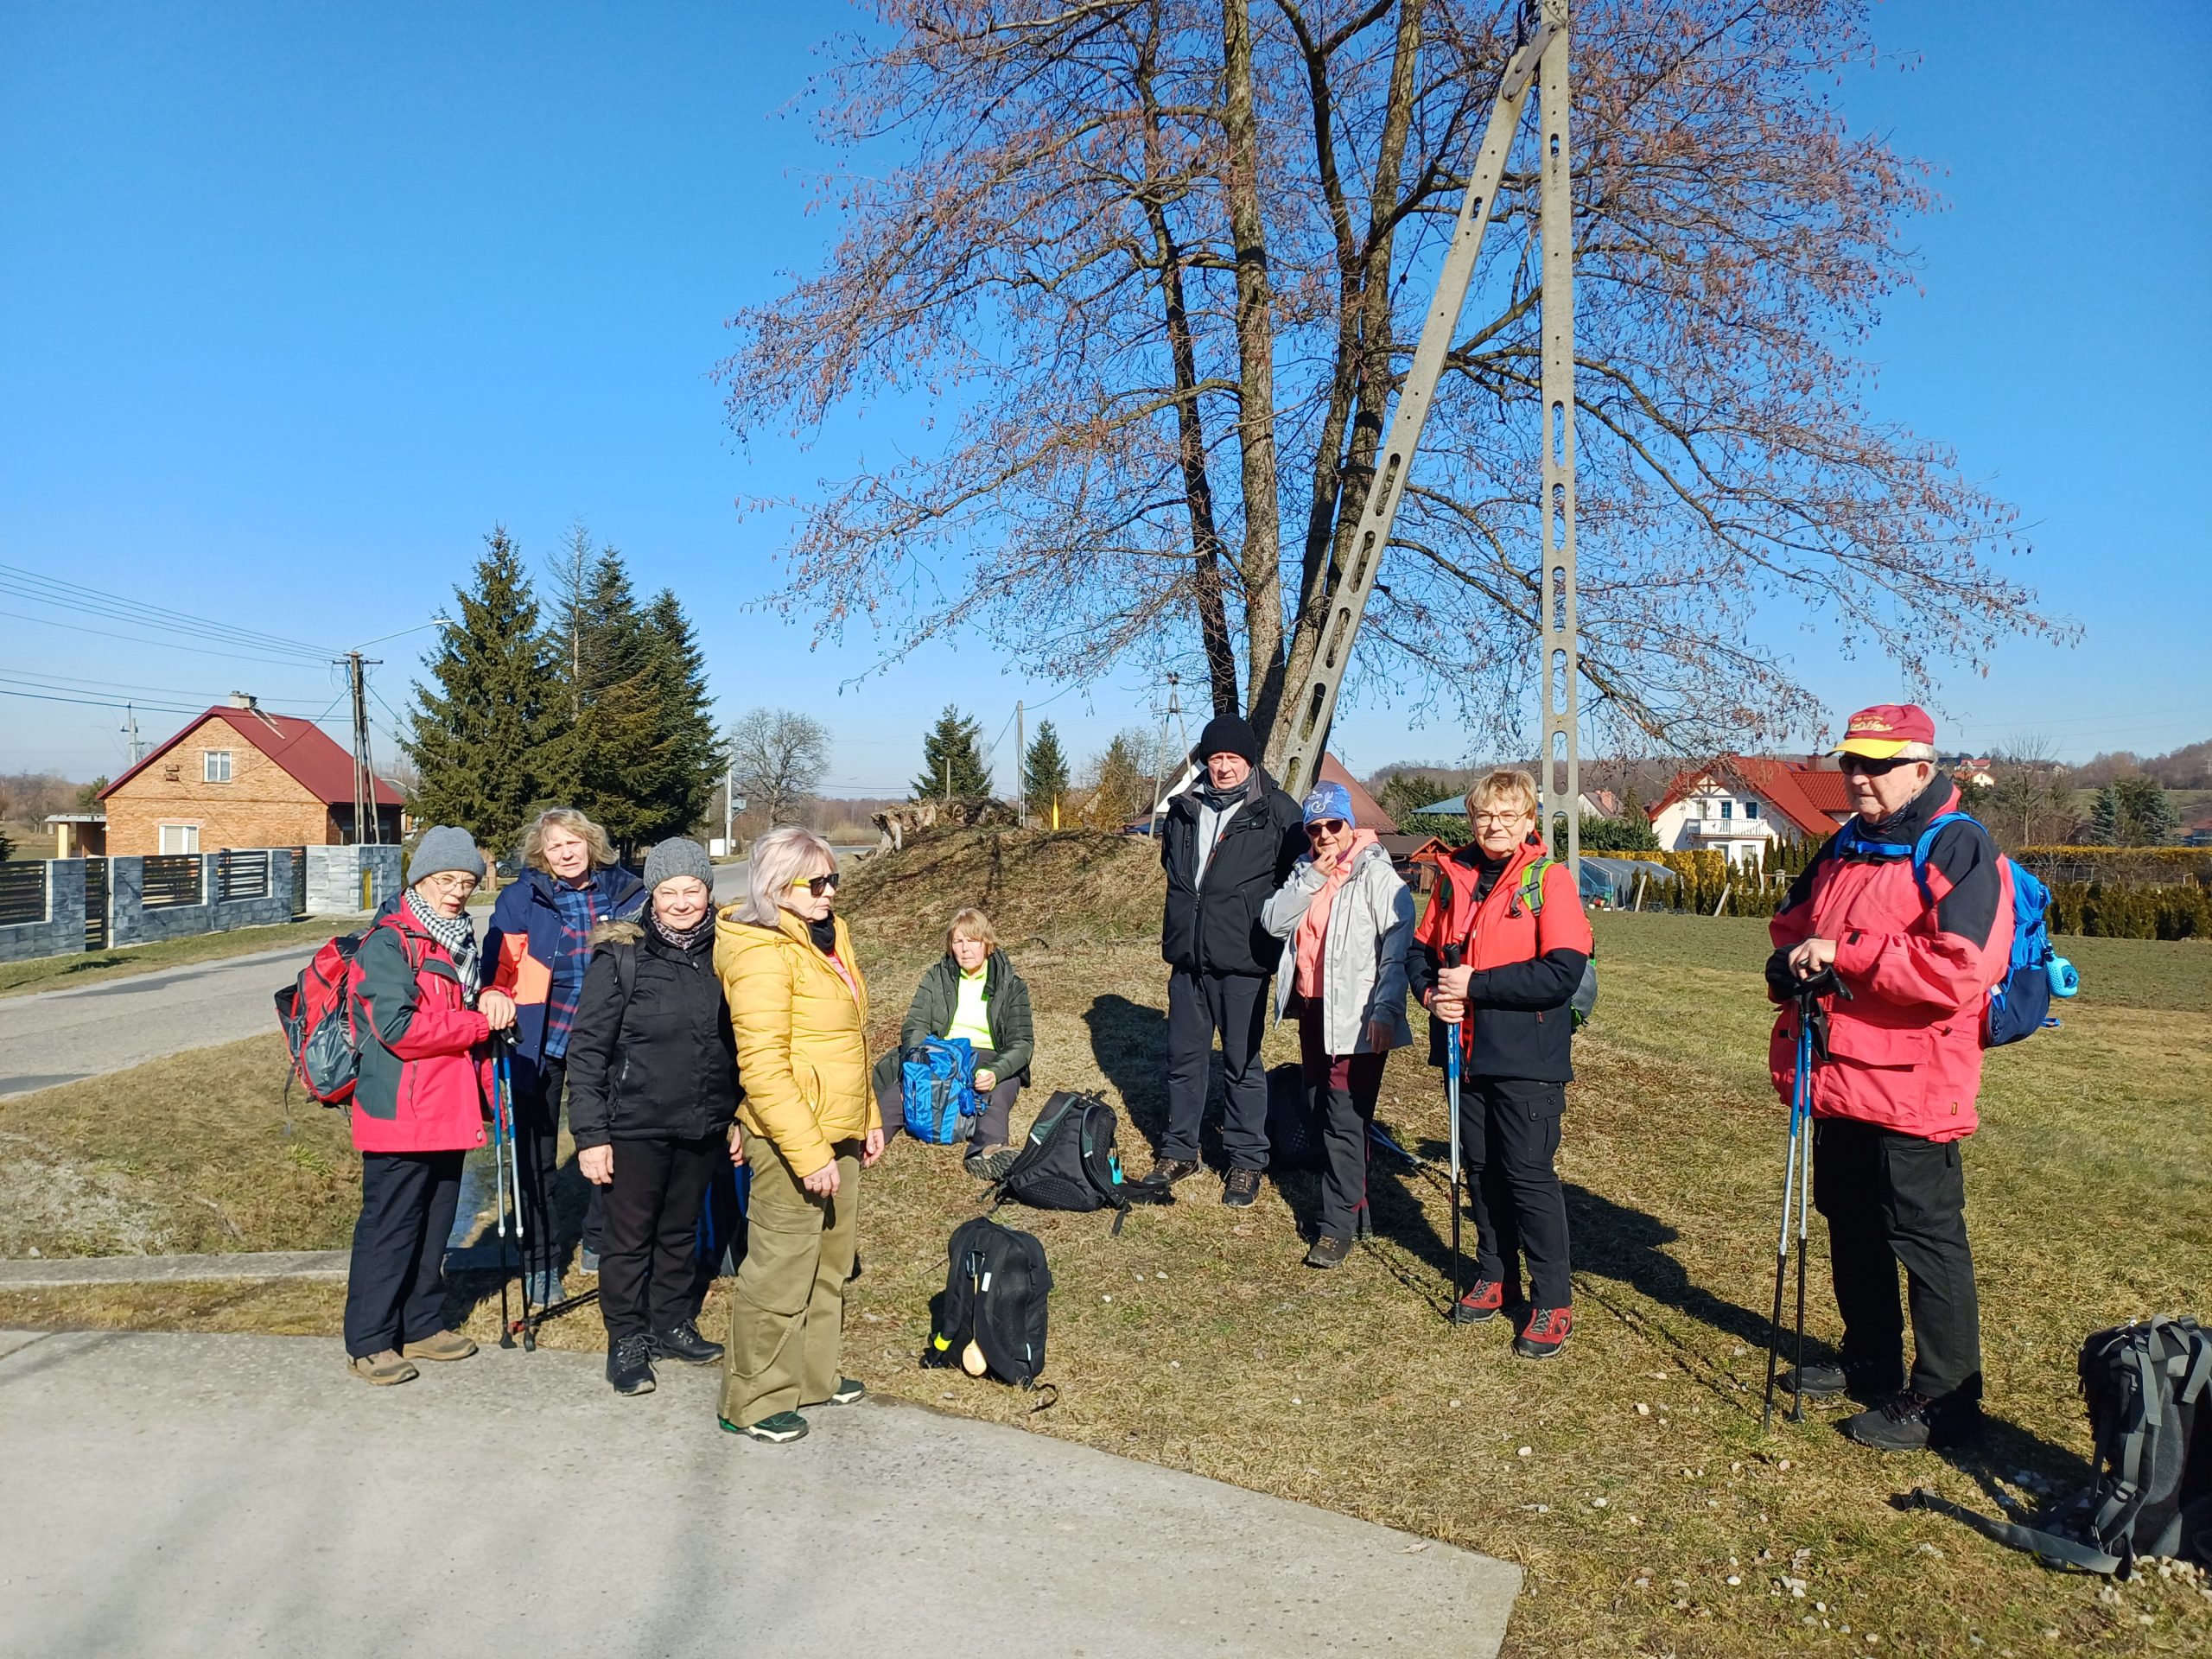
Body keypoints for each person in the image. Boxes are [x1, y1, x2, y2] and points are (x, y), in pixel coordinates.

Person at [1767, 703, 2010, 1450]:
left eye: (1878, 765)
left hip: (1915, 1081)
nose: (1859, 778)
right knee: (1850, 1218)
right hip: (1836, 1069)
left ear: (1922, 769)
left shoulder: (1960, 845)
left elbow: (1960, 971)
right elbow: (1791, 925)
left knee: (1925, 1237)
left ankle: (1946, 1401)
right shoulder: (1845, 843)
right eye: (1851, 763)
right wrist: (1788, 964)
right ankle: (1869, 1357)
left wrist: (1845, 954)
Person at [1408, 768, 1592, 1360]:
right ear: (1471, 818)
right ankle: (1496, 1274)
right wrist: (1431, 996)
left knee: (1528, 1175)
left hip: (1527, 1057)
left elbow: (1561, 973)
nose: (1495, 825)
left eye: (1508, 815)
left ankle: (1552, 1300)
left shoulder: (1550, 880)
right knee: (1481, 1169)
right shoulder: (1453, 876)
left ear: (1529, 821)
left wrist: (1475, 986)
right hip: (1463, 1051)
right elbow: (1419, 952)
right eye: (1485, 814)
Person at [715, 825, 882, 1445]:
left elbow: (848, 1042)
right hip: (790, 1138)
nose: (830, 891)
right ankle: (754, 1400)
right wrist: (809, 1152)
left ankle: (811, 1377)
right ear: (778, 886)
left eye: (833, 878)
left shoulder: (829, 935)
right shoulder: (759, 951)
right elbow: (763, 1067)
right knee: (780, 1270)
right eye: (818, 882)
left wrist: (867, 1117)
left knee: (831, 1262)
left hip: (839, 1127)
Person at [565, 838, 741, 1396]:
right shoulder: (622, 955)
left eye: (692, 890)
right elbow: (587, 1050)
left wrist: (738, 1114)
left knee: (680, 1230)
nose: (682, 903)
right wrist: (591, 1135)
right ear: (652, 895)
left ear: (708, 892)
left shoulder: (729, 952)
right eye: (669, 892)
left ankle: (670, 1322)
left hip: (703, 1121)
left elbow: (741, 1041)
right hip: (633, 1125)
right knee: (628, 1238)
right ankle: (626, 1338)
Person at [341, 827, 517, 1384]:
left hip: (449, 1104)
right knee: (390, 1226)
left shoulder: (456, 940)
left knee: (436, 1222)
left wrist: (491, 995)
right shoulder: (388, 942)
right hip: (399, 1108)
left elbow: (467, 998)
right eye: (446, 880)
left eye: (466, 882)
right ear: (419, 879)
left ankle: (419, 1324)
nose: (457, 892)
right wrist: (476, 1023)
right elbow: (397, 1028)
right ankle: (370, 1340)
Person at [482, 807, 645, 1306]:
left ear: (591, 844)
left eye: (574, 842)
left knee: (616, 1143)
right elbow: (498, 968)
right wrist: (493, 993)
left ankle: (599, 1239)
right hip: (541, 1039)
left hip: (610, 1039)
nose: (566, 853)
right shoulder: (521, 898)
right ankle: (540, 1260)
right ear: (542, 854)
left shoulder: (626, 893)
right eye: (555, 846)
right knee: (536, 1155)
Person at [1142, 714, 1306, 1205]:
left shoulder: (1278, 811)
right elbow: (1174, 870)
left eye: (1233, 757)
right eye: (1216, 758)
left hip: (1244, 958)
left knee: (1242, 1063)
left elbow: (1299, 877)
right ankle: (1179, 1149)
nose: (1224, 767)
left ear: (1249, 761)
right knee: (1184, 1060)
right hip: (1188, 959)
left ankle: (1246, 1160)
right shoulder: (1184, 809)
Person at [1259, 782, 1414, 1268]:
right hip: (1312, 1008)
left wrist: (1386, 1011)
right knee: (1321, 1106)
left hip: (1359, 1014)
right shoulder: (1305, 870)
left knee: (1344, 1118)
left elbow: (1397, 951)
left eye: (1333, 825)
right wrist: (1310, 879)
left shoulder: (1378, 875)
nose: (1324, 835)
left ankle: (1336, 1226)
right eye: (1315, 828)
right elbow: (1272, 923)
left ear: (1351, 825)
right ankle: (1357, 1203)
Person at [870, 906, 1036, 1179]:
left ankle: (987, 1151)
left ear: (987, 944)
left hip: (988, 1054)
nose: (965, 949)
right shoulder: (937, 977)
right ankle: (865, 1143)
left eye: (972, 941)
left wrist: (995, 1072)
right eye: (958, 941)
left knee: (997, 1094)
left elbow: (1022, 1042)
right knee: (900, 1093)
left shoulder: (1011, 985)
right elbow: (916, 1024)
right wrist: (917, 1065)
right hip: (943, 1052)